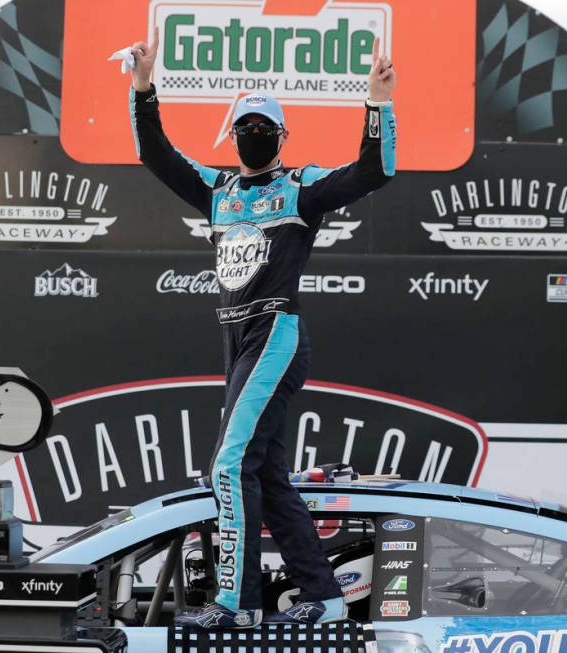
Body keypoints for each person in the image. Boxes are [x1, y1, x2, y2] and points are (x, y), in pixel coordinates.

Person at [127, 27, 396, 629]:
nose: (253, 136)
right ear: (234, 134)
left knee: (227, 467)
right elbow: (156, 155)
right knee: (266, 474)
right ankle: (324, 598)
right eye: (245, 127)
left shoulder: (300, 189)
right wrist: (144, 87)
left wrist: (378, 104)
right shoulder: (217, 190)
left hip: (274, 333)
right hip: (237, 339)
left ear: (280, 137)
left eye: (263, 128)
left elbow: (374, 171)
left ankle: (236, 604)